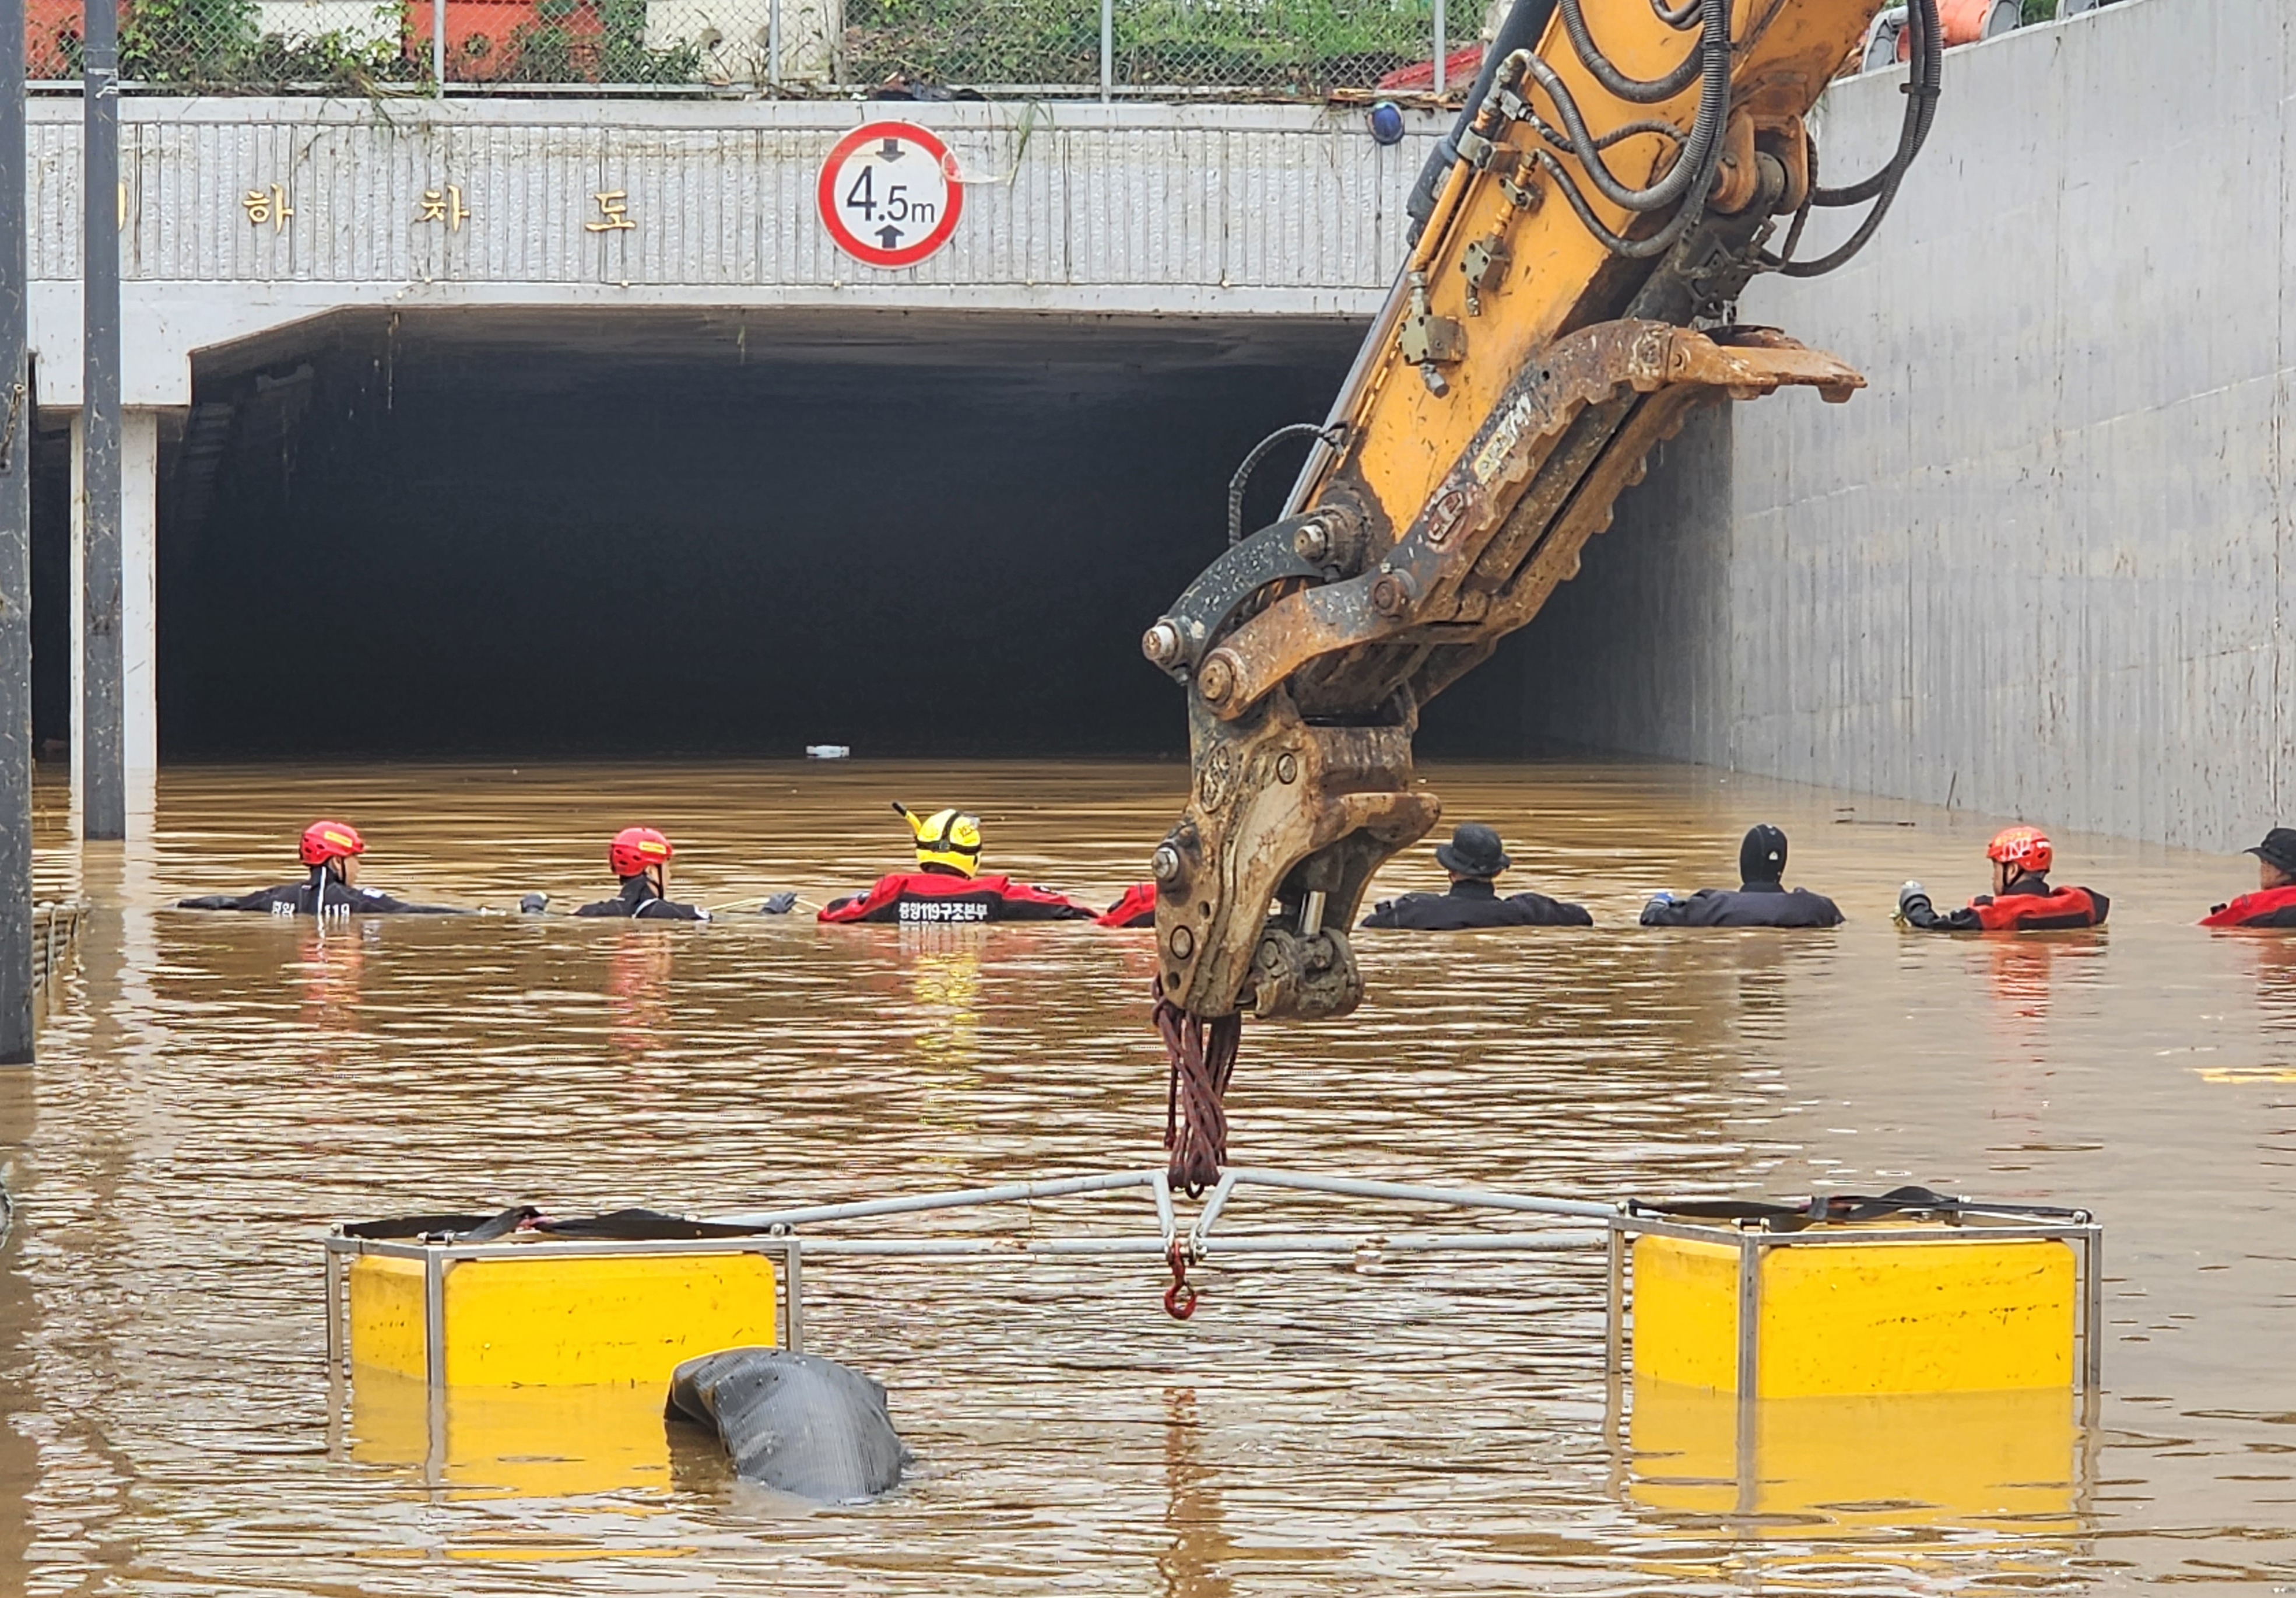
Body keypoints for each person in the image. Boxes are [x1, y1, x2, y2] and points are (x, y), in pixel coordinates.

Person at [819, 804, 1093, 924]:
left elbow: (833, 914)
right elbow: (1070, 910)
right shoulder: (996, 892)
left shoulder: (892, 891)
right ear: (973, 854)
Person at [176, 820, 466, 915]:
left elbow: (225, 904)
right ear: (336, 861)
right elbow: (413, 913)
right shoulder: (360, 901)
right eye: (354, 858)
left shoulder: (278, 897)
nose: (359, 868)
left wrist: (177, 905)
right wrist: (481, 914)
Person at [1360, 823, 1591, 930]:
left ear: (1450, 871)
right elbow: (1582, 916)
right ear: (1499, 871)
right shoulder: (1529, 910)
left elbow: (1369, 925)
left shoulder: (1414, 910)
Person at [1897, 826, 2108, 931]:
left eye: (1996, 867)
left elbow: (1931, 926)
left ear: (2013, 869)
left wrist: (1913, 897)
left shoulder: (1991, 914)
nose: (1992, 876)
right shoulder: (2084, 902)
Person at [1639, 824, 1843, 928]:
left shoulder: (1712, 905)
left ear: (1745, 860)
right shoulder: (1818, 907)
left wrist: (1660, 900)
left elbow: (1651, 919)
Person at [575, 828, 710, 921]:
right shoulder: (690, 914)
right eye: (666, 867)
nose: (670, 875)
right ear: (651, 870)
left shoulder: (584, 912)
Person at [2202, 827, 2296, 928]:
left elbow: (2206, 928)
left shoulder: (2252, 909)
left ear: (2279, 872)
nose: (2261, 870)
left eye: (2264, 863)